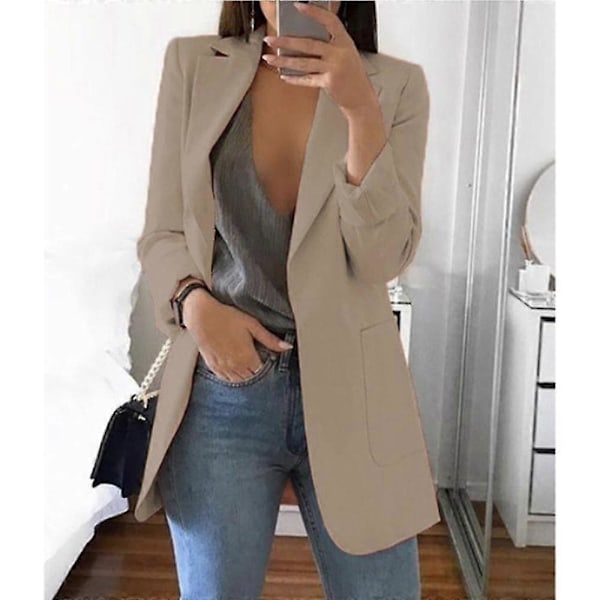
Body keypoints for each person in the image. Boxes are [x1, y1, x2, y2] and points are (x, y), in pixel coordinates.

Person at [137, 1, 436, 597]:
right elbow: (162, 233)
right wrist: (196, 306)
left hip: (354, 392)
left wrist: (360, 109)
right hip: (223, 389)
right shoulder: (193, 65)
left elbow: (383, 258)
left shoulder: (396, 86)